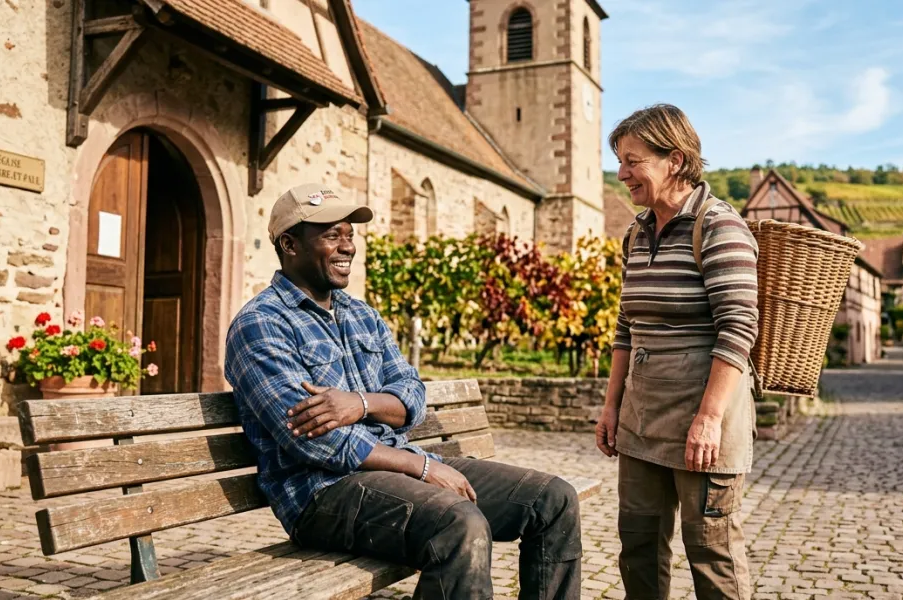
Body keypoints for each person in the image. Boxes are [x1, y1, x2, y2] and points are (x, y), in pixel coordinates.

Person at [224, 183, 582, 600]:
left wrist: (359, 404)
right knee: (460, 525)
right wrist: (422, 468)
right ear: (289, 244)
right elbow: (313, 440)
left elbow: (411, 396)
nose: (348, 247)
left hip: (396, 466)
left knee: (554, 500)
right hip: (321, 494)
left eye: (350, 234)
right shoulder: (260, 324)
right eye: (331, 235)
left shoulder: (362, 315)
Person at [594, 105, 759, 600]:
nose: (622, 173)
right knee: (638, 547)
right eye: (620, 161)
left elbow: (737, 328)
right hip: (642, 420)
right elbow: (627, 327)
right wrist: (611, 405)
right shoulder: (636, 233)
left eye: (633, 160)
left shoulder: (718, 227)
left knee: (712, 554)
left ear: (676, 160)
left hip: (704, 419)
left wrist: (708, 418)